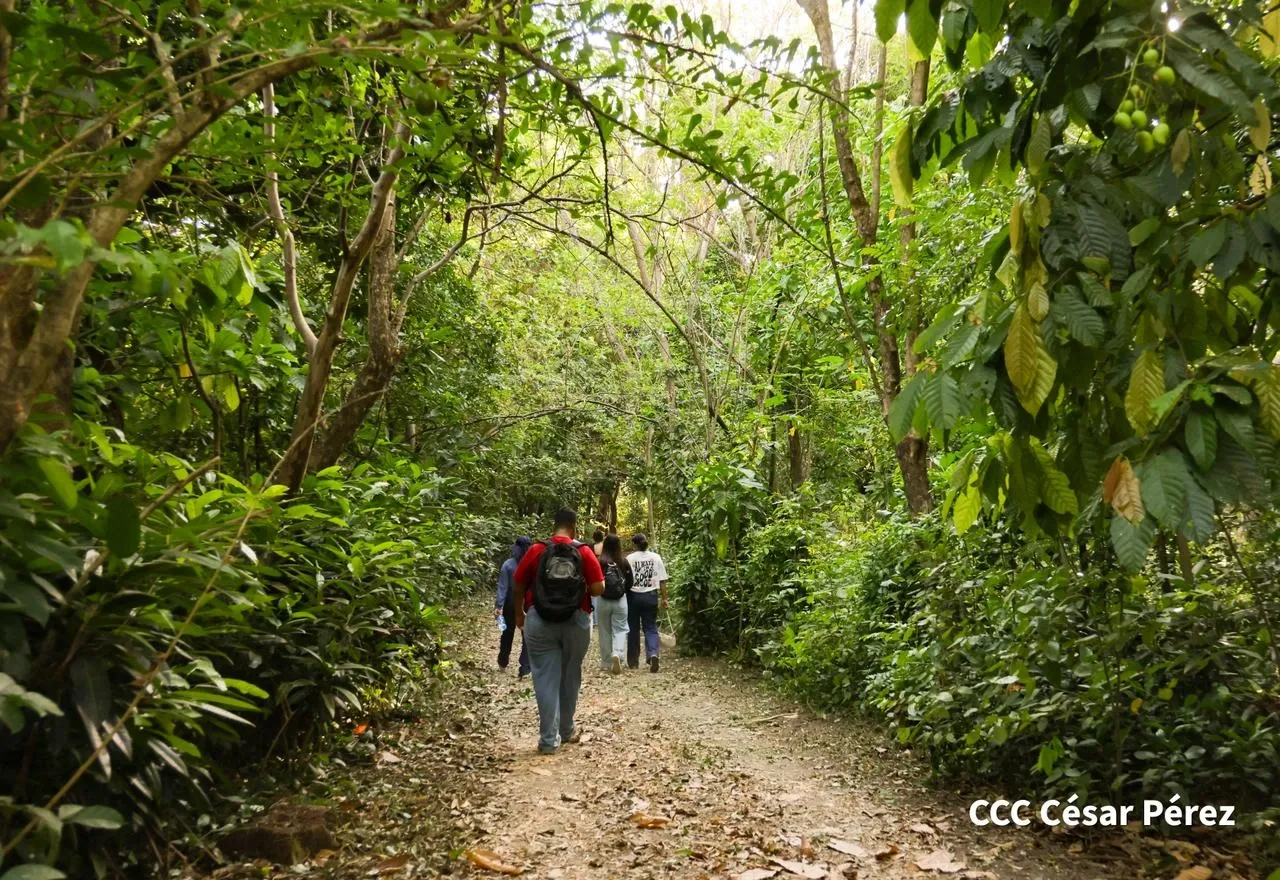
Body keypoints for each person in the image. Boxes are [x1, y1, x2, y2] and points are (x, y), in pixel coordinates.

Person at [513, 509, 605, 754]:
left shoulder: (536, 550)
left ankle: (547, 740)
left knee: (545, 677)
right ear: (574, 527)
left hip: (540, 620)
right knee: (570, 673)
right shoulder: (583, 551)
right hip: (576, 621)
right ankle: (566, 730)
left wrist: (519, 614)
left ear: (554, 525)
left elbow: (518, 583)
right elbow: (597, 589)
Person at [626, 533, 669, 673]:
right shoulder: (656, 558)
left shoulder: (629, 559)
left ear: (634, 545)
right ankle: (653, 654)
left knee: (633, 628)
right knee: (650, 627)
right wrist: (664, 599)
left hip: (633, 597)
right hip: (651, 596)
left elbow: (625, 580)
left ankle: (633, 661)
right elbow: (662, 580)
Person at [594, 534, 632, 675]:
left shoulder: (600, 561)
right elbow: (630, 581)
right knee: (621, 628)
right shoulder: (623, 561)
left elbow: (594, 580)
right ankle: (618, 653)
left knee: (604, 630)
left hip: (603, 599)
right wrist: (623, 591)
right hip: (620, 600)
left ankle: (606, 662)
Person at [495, 536, 532, 677]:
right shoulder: (532, 564)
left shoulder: (508, 565)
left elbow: (502, 587)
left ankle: (503, 661)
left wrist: (498, 605)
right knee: (527, 635)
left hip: (510, 603)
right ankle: (525, 667)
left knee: (507, 633)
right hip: (528, 603)